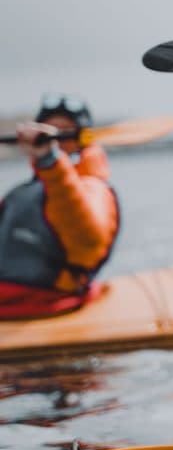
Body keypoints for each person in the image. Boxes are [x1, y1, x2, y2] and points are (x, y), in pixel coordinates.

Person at [0, 95, 120, 314]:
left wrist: (51, 161)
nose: (55, 142)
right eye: (47, 134)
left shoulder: (93, 189)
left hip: (50, 301)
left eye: (63, 134)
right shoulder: (21, 194)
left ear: (82, 139)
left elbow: (85, 236)